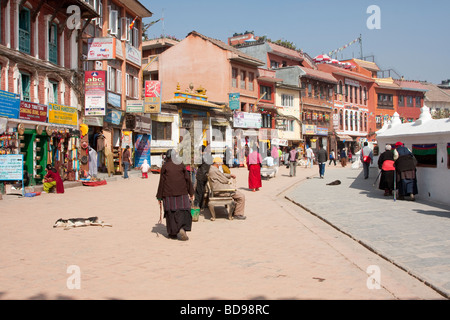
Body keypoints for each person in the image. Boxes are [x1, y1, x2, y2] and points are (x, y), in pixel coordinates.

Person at [156, 149, 194, 241]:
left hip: (168, 194)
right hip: (182, 193)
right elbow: (187, 179)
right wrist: (191, 192)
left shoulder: (165, 167)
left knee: (171, 213)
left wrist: (159, 196)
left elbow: (162, 182)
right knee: (183, 211)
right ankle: (182, 228)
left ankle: (173, 233)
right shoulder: (180, 165)